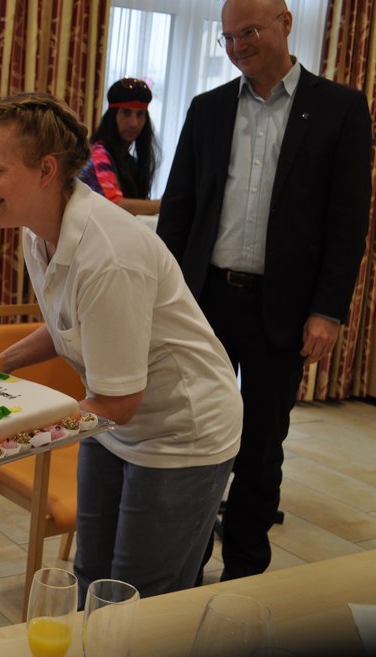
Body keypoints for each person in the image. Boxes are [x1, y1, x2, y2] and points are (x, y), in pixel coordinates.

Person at [0, 91, 242, 604]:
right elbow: (68, 325)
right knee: (89, 574)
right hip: (112, 420)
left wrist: (4, 435)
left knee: (136, 597)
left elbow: (119, 402)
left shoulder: (109, 254)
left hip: (181, 428)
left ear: (46, 170)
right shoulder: (37, 233)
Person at [157, 0, 372, 581]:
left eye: (248, 32)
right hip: (205, 301)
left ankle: (244, 573)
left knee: (260, 446)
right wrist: (165, 299)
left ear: (285, 23)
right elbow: (179, 212)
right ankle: (187, 565)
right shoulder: (207, 108)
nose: (237, 47)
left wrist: (328, 311)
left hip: (283, 309)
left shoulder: (341, 109)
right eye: (227, 38)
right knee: (195, 437)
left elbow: (348, 220)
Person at [77, 77, 161, 216]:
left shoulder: (131, 163)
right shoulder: (97, 154)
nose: (134, 123)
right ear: (113, 116)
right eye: (126, 113)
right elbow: (114, 204)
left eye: (140, 114)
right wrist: (163, 205)